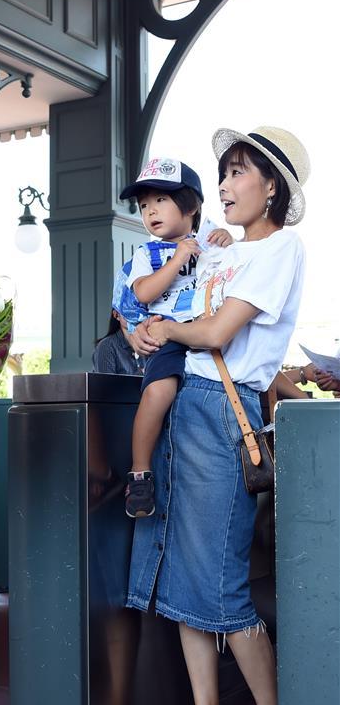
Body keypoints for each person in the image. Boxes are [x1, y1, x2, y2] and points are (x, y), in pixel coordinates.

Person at [126, 126, 310, 705]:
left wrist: (164, 327)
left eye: (239, 173)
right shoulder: (221, 249)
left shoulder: (282, 248)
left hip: (216, 415)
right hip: (184, 413)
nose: (226, 185)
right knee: (182, 582)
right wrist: (158, 318)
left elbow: (218, 332)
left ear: (272, 187)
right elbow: (180, 295)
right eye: (223, 173)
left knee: (224, 586)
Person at [116, 159, 232, 518]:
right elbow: (144, 294)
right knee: (158, 390)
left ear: (191, 205)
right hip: (168, 335)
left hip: (210, 334)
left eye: (160, 200)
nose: (150, 211)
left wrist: (228, 240)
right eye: (144, 205)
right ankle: (139, 472)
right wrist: (176, 258)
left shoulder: (212, 241)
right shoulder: (145, 254)